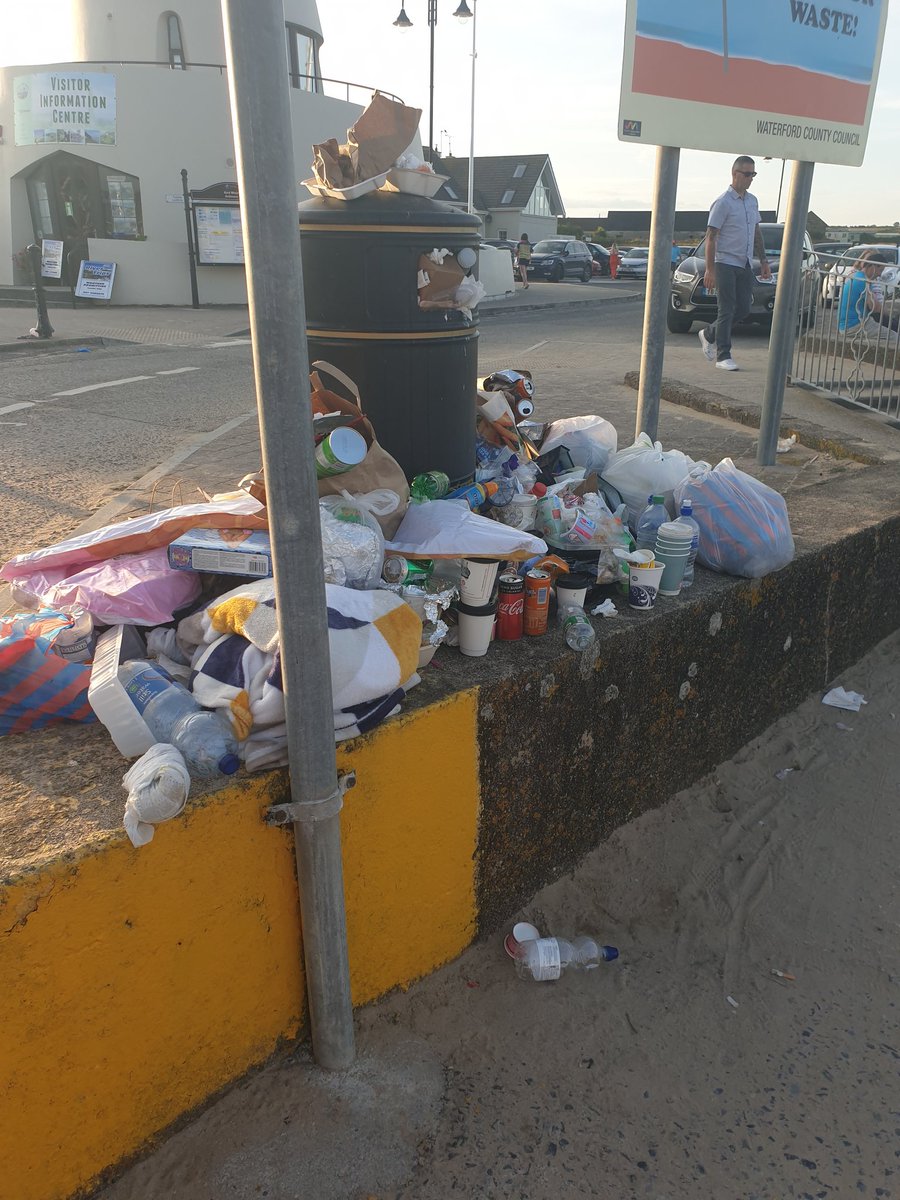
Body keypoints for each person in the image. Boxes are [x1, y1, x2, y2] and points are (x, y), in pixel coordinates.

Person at [697, 155, 771, 372]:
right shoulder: (723, 202)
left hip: (745, 262)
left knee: (744, 307)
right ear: (735, 173)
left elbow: (756, 231)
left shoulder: (752, 201)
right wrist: (710, 269)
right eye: (747, 174)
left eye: (753, 174)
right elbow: (711, 237)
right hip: (725, 262)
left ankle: (710, 333)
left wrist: (763, 260)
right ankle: (723, 355)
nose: (750, 178)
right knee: (726, 308)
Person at [838, 249, 899, 341]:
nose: (879, 274)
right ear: (873, 266)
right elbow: (875, 307)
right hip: (854, 325)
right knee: (894, 336)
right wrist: (890, 314)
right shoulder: (862, 281)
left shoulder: (857, 276)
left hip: (852, 323)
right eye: (880, 270)